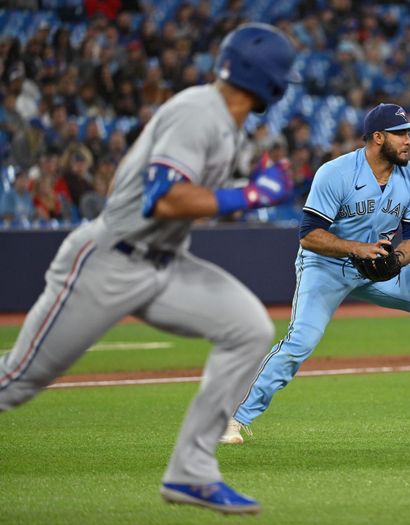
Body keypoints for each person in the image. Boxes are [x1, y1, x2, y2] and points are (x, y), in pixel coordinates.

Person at [0, 23, 298, 514]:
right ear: (269, 80)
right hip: (108, 261)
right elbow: (164, 199)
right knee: (16, 381)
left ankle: (192, 473)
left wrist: (245, 187)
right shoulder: (198, 111)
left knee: (248, 327)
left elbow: (185, 198)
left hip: (164, 266)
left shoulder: (225, 122)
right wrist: (249, 194)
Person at [221, 103, 410, 445]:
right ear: (377, 138)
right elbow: (309, 235)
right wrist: (356, 249)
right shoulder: (336, 173)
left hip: (376, 264)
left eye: (409, 133)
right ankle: (233, 418)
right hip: (325, 266)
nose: (408, 141)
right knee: (301, 341)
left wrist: (396, 260)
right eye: (400, 134)